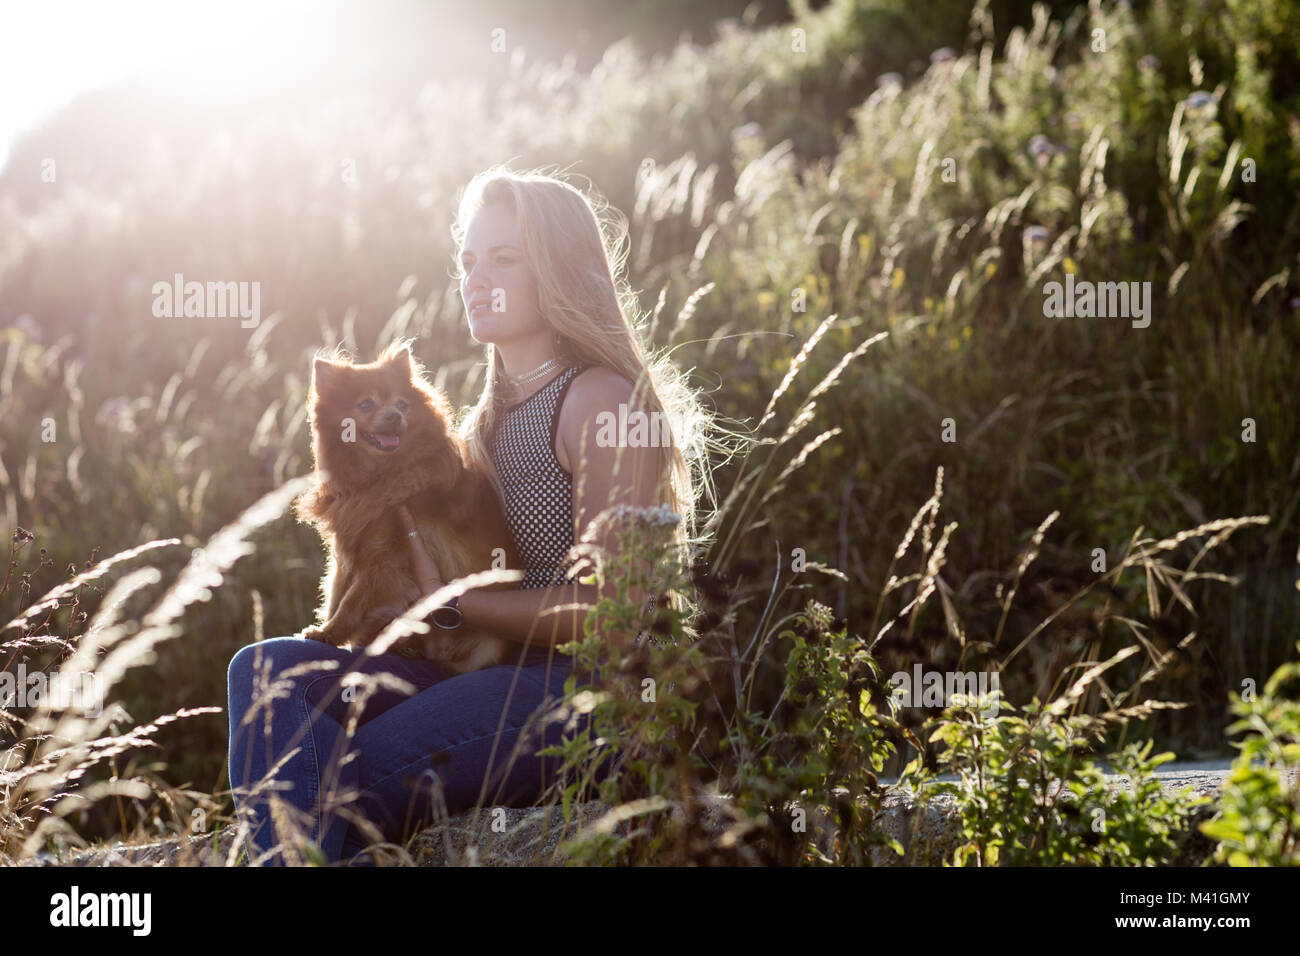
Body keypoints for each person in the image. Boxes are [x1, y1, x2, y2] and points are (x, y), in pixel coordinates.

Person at [226, 165, 721, 865]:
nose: (477, 277)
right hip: (484, 674)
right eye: (468, 260)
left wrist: (458, 609)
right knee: (265, 671)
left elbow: (617, 609)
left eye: (504, 257)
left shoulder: (603, 401)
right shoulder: (485, 422)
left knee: (329, 776)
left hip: (583, 693)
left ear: (559, 267)